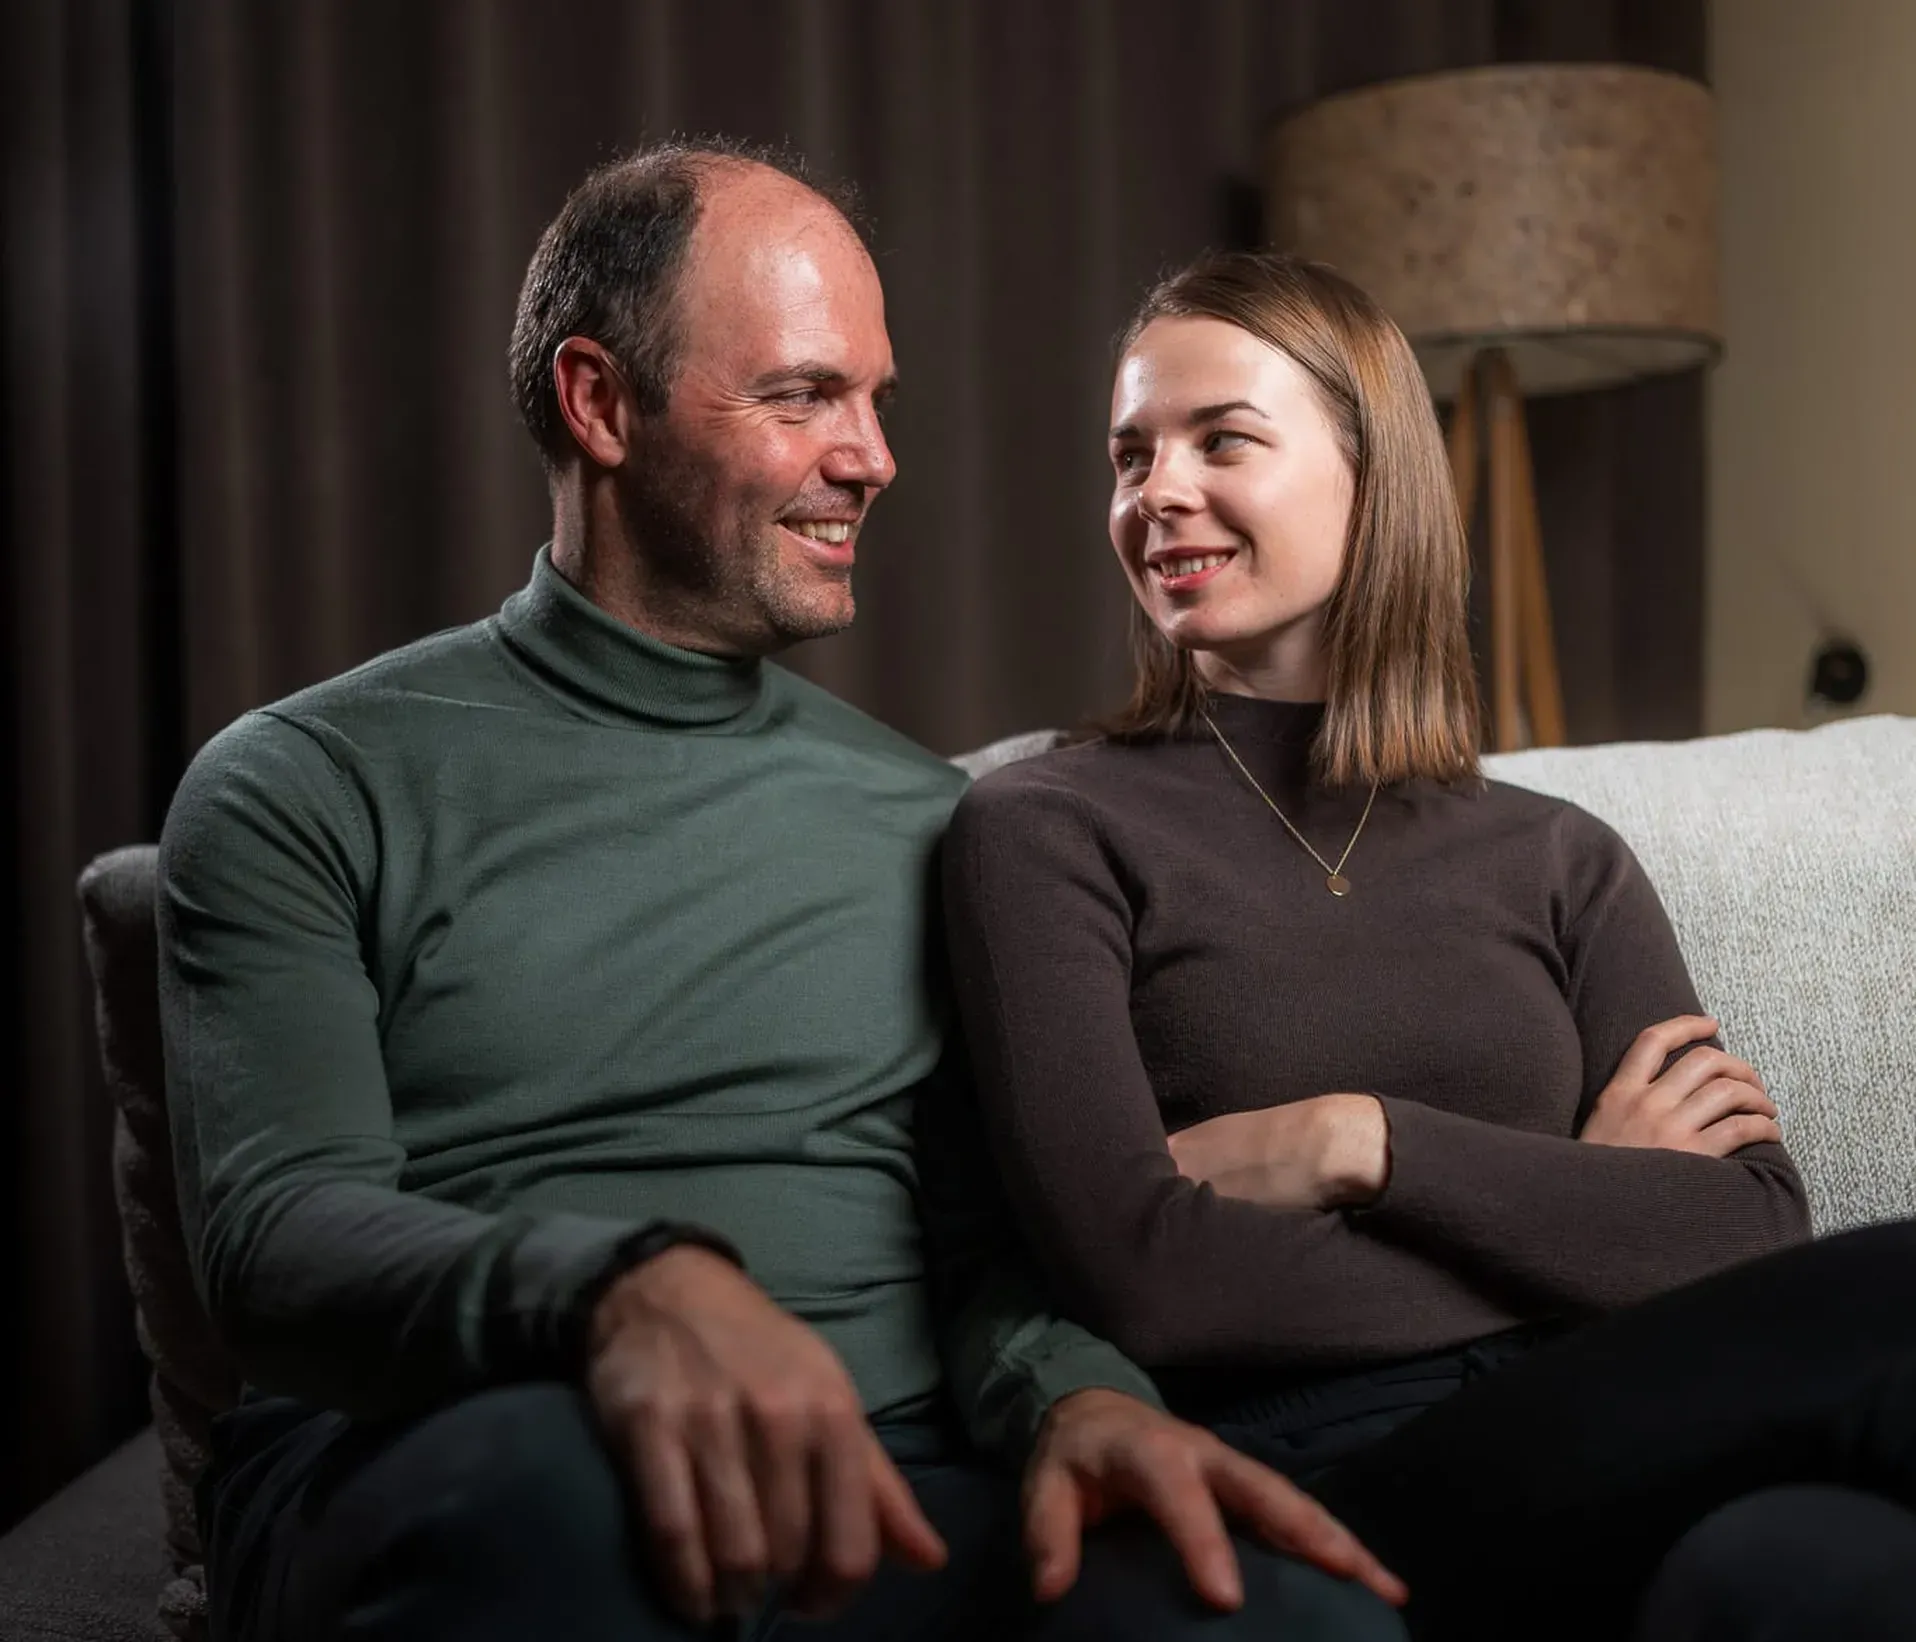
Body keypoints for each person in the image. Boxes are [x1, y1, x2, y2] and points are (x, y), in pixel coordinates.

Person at [158, 145, 1411, 1642]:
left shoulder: (947, 824)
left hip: (889, 1472)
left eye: (877, 401)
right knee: (560, 1504)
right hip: (462, 1450)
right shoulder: (302, 780)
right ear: (598, 403)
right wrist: (626, 1290)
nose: (874, 455)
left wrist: (1075, 1397)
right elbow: (275, 1235)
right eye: (806, 395)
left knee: (1280, 1607)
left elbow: (984, 1241)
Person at [936, 248, 1916, 1642]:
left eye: (1222, 440)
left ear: (1369, 471)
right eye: (1129, 455)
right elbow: (1143, 1275)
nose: (1156, 492)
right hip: (1329, 1467)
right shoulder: (1044, 827)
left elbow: (1750, 1227)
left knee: (1823, 1564)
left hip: (1615, 1434)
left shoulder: (1556, 854)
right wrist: (1584, 1203)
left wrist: (1362, 1142)